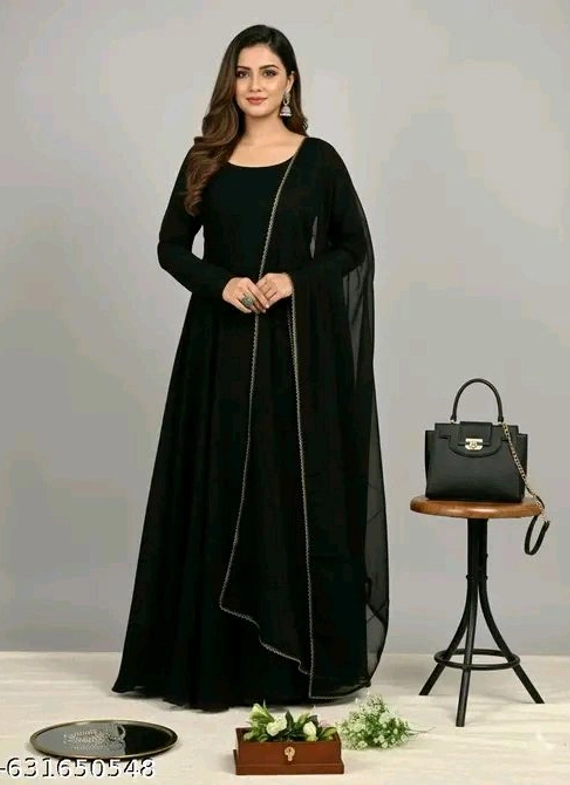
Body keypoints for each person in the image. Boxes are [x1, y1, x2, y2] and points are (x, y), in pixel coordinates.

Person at [111, 23, 389, 711]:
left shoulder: (319, 162)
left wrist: (295, 279)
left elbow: (353, 247)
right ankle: (217, 664)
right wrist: (222, 284)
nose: (255, 85)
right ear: (229, 82)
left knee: (289, 490)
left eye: (268, 72)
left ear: (290, 81)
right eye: (243, 73)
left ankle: (290, 669)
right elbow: (170, 246)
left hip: (297, 359)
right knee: (222, 486)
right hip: (221, 353)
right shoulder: (205, 158)